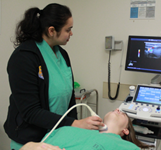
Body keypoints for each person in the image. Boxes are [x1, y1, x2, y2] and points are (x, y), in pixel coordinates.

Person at [4, 3, 103, 150]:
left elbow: (70, 100)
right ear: (51, 31)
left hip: (60, 137)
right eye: (68, 30)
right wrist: (75, 124)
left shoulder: (62, 55)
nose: (71, 34)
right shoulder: (23, 58)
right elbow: (31, 112)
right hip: (31, 142)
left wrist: (73, 130)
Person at [20, 109, 154, 150]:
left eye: (123, 114)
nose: (118, 109)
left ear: (125, 131)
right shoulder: (65, 129)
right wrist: (30, 146)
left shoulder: (127, 147)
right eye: (115, 110)